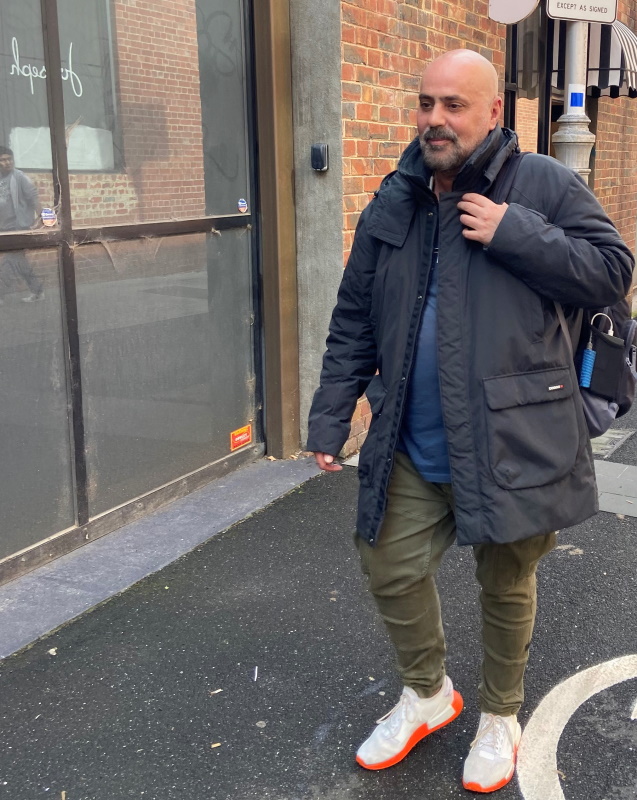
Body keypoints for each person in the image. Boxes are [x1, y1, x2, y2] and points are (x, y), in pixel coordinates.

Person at [307, 49, 634, 793]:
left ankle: (499, 715)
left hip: (512, 439)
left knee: (506, 581)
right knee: (387, 567)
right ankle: (427, 694)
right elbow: (353, 315)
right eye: (425, 102)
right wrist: (331, 415)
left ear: (493, 112)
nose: (434, 118)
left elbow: (612, 270)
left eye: (453, 105)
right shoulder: (397, 194)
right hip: (410, 441)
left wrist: (514, 230)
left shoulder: (543, 184)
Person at [0, 146, 45, 302]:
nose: (7, 162)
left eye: (9, 159)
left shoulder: (19, 177)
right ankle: (38, 291)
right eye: (3, 160)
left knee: (9, 261)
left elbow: (34, 198)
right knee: (19, 261)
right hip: (4, 228)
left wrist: (46, 219)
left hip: (19, 226)